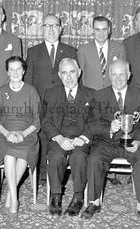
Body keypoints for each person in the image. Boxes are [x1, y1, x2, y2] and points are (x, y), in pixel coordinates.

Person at [81, 59, 140, 227]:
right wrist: (110, 129)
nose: (118, 78)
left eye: (122, 74)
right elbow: (92, 123)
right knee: (94, 159)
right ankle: (94, 201)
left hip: (132, 141)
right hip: (106, 141)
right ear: (109, 76)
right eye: (114, 74)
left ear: (129, 75)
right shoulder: (99, 95)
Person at [25, 14, 77, 184]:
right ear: (42, 29)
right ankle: (41, 174)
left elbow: (75, 81)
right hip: (40, 104)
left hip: (63, 104)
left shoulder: (70, 51)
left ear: (60, 29)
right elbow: (29, 81)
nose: (51, 29)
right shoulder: (33, 52)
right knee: (42, 138)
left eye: (55, 26)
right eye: (47, 26)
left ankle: (60, 173)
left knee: (60, 137)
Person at [42, 58, 94, 216]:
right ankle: (55, 196)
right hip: (59, 138)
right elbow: (45, 120)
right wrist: (59, 138)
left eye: (72, 72)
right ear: (59, 75)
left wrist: (83, 137)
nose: (68, 77)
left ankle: (78, 197)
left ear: (79, 72)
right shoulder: (50, 94)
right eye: (64, 73)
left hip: (80, 139)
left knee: (79, 157)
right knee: (56, 157)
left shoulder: (91, 94)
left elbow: (95, 121)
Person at [0, 56, 41, 219]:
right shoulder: (1, 92)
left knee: (24, 152)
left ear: (24, 70)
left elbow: (37, 120)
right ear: (7, 72)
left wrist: (23, 134)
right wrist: (7, 134)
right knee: (8, 154)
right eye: (11, 69)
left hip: (27, 132)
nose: (15, 72)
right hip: (3, 133)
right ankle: (14, 199)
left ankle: (10, 196)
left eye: (18, 69)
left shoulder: (31, 90)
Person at [77, 16, 125, 90]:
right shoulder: (82, 50)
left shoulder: (119, 49)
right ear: (93, 30)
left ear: (109, 30)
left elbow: (123, 75)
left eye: (104, 29)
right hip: (91, 96)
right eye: (97, 30)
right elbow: (80, 78)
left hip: (112, 95)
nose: (101, 33)